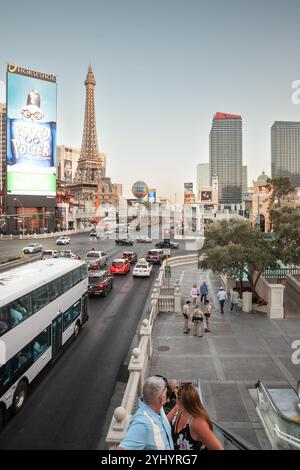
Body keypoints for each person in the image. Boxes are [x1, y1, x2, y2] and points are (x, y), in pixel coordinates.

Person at [117, 376, 174, 450]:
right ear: (162, 399)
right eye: (166, 393)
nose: (168, 396)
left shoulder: (156, 407)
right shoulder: (142, 424)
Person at [167, 382, 224, 450]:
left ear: (182, 402)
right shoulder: (179, 408)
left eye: (176, 398)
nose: (175, 400)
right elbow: (165, 421)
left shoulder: (198, 424)